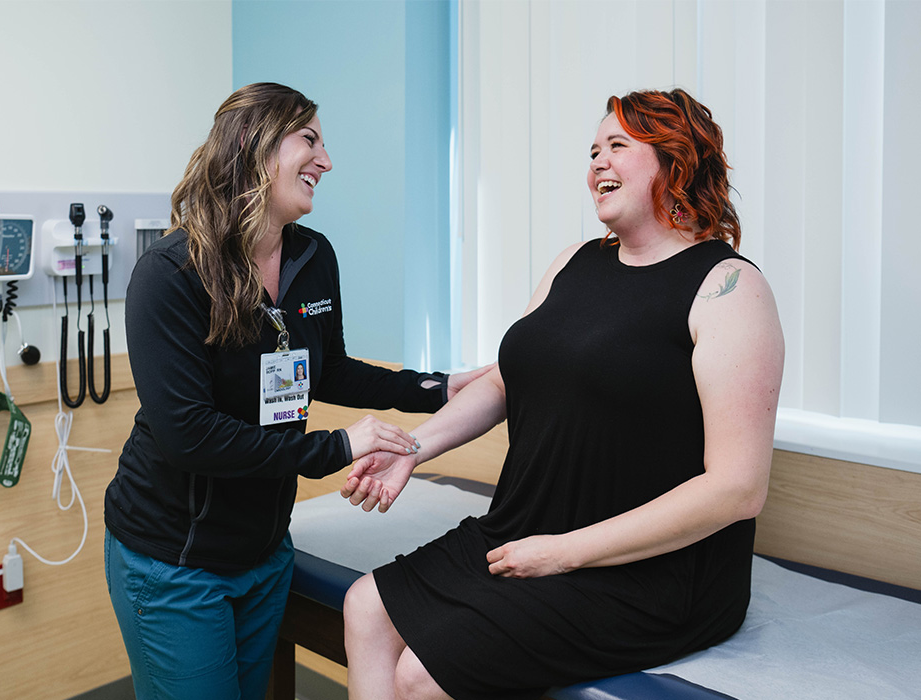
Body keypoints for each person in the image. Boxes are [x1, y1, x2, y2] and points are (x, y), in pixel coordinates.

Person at [341, 88, 785, 700]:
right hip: (529, 526)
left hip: (651, 572)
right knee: (364, 606)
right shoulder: (573, 262)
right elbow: (505, 378)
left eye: (619, 147)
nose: (597, 162)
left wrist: (566, 554)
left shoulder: (728, 288)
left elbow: (738, 488)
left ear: (676, 161)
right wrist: (412, 447)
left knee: (421, 674)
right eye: (593, 150)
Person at [103, 82, 486, 700]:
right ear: (254, 145)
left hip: (264, 549)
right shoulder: (170, 274)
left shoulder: (311, 254)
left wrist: (438, 387)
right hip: (174, 560)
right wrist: (336, 449)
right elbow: (188, 435)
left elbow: (328, 369)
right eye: (309, 138)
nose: (326, 161)